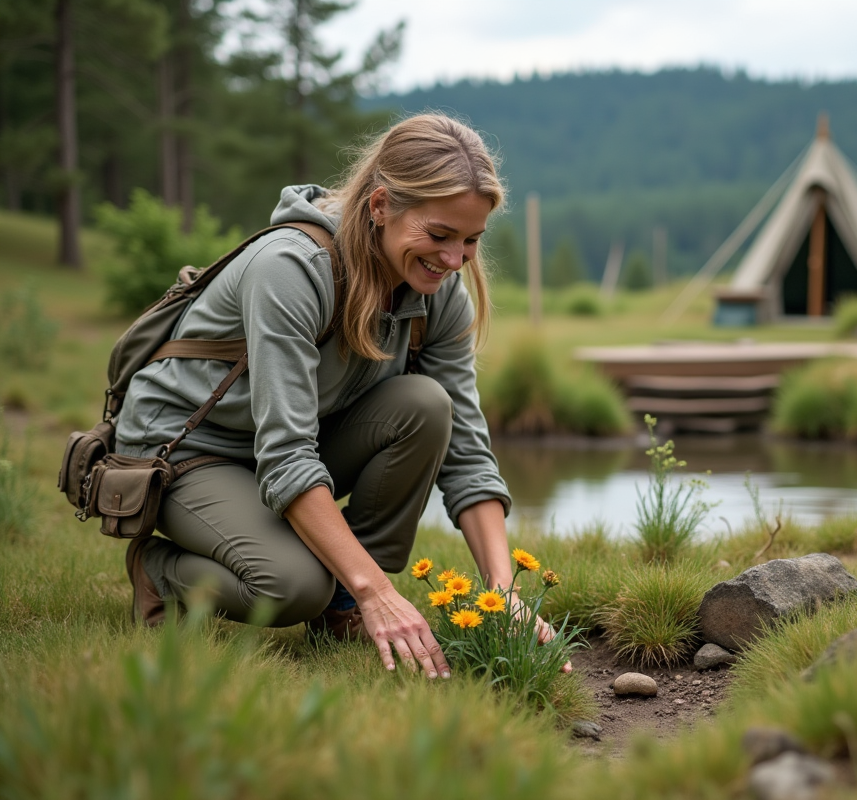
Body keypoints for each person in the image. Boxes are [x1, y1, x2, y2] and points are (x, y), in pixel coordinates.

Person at [116, 113, 566, 678]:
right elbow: (286, 456)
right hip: (190, 448)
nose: (454, 261)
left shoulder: (440, 289)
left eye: (471, 240)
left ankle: (345, 607)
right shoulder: (291, 268)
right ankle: (161, 573)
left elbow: (468, 455)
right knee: (290, 586)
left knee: (425, 406)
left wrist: (507, 592)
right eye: (439, 235)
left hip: (285, 441)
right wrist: (381, 590)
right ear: (380, 206)